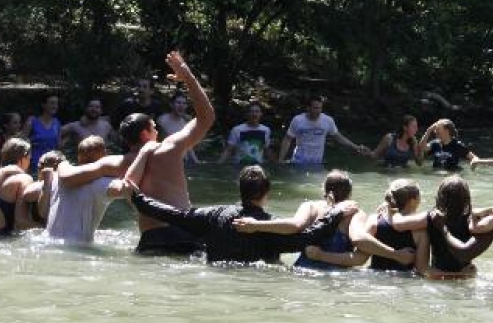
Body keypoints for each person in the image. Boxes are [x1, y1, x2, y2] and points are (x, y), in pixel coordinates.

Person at [64, 51, 213, 256]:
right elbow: (207, 117)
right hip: (184, 231)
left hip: (152, 239)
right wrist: (187, 76)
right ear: (145, 133)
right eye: (154, 127)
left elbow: (69, 179)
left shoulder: (115, 163)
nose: (158, 131)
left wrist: (59, 165)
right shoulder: (170, 147)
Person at [129, 165, 354, 263]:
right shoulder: (270, 226)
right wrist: (335, 214)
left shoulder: (214, 215)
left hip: (215, 273)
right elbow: (306, 237)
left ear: (240, 189)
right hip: (255, 280)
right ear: (266, 193)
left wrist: (137, 197)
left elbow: (175, 215)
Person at [233, 170, 358, 270]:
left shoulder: (310, 206)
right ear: (349, 194)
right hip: (337, 276)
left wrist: (255, 225)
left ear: (323, 189)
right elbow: (361, 247)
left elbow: (295, 226)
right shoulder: (355, 214)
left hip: (304, 270)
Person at [46, 136, 134, 244]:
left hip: (49, 241)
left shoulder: (56, 177)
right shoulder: (100, 183)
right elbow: (126, 189)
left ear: (78, 157)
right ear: (105, 156)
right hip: (78, 250)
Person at [278, 96, 368, 165]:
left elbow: (339, 137)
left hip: (317, 163)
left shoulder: (327, 120)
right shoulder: (298, 120)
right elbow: (287, 139)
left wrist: (355, 147)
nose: (318, 111)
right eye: (315, 108)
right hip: (298, 161)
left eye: (320, 108)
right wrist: (281, 159)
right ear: (308, 108)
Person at [23, 93, 61, 175]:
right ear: (43, 105)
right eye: (52, 103)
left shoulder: (57, 123)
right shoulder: (32, 121)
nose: (55, 106)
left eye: (56, 103)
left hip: (51, 164)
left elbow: (58, 146)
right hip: (33, 165)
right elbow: (21, 144)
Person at [158, 92, 200, 164]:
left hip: (183, 161)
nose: (181, 106)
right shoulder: (162, 120)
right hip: (166, 160)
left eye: (184, 103)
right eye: (178, 103)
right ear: (171, 105)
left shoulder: (185, 123)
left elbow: (188, 146)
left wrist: (196, 161)